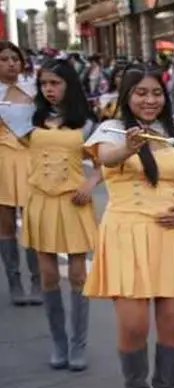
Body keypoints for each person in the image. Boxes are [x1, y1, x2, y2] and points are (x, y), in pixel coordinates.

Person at [83, 65, 174, 388]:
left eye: (156, 93)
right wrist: (130, 146)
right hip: (127, 235)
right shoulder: (111, 130)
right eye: (140, 93)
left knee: (172, 325)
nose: (149, 100)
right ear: (126, 96)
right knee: (134, 326)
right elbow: (105, 158)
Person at [20, 59, 100, 371]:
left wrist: (90, 182)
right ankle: (59, 343)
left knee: (78, 276)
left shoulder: (87, 122)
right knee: (49, 276)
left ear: (69, 84)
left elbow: (106, 163)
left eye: (55, 83)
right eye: (44, 84)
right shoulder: (30, 118)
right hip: (40, 201)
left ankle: (78, 345)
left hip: (73, 203)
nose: (49, 89)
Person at [0, 41, 42, 306]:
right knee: (5, 227)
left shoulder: (34, 90)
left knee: (33, 224)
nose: (11, 63)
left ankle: (38, 281)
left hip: (30, 161)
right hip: (2, 161)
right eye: (4, 59)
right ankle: (15, 282)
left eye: (14, 58)